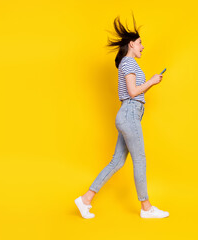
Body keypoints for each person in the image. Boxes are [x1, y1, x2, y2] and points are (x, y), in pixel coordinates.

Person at [74, 13, 169, 219]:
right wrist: (151, 81)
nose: (143, 46)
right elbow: (133, 92)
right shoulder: (128, 63)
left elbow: (135, 93)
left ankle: (85, 200)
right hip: (129, 114)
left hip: (129, 113)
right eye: (141, 43)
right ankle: (146, 208)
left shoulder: (129, 64)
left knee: (117, 162)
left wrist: (152, 83)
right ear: (132, 44)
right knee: (140, 160)